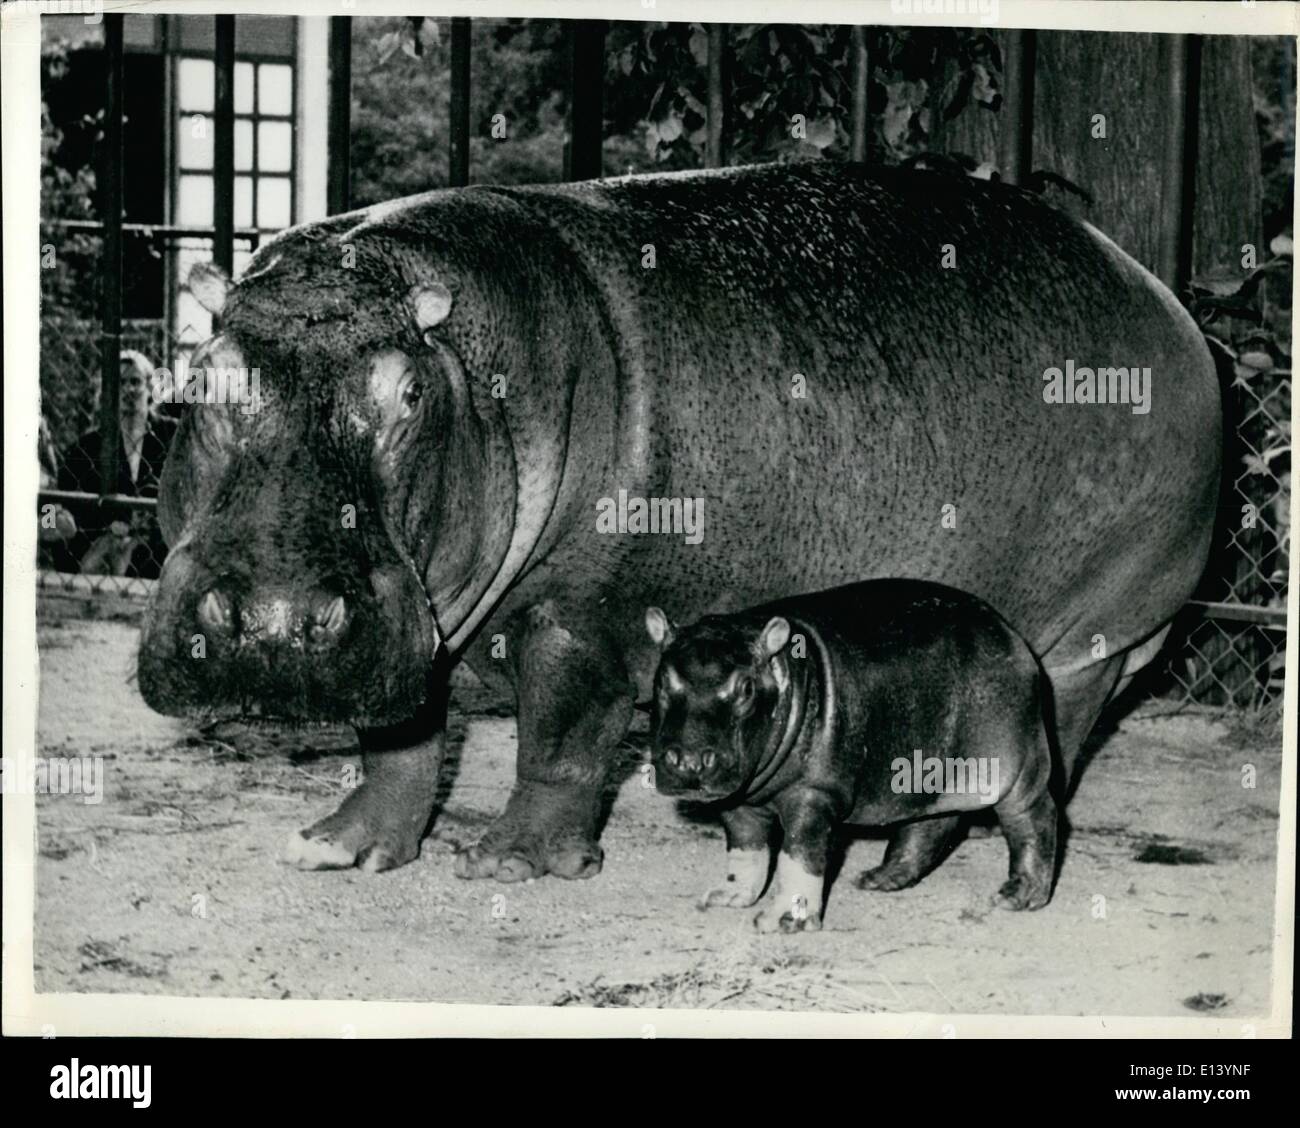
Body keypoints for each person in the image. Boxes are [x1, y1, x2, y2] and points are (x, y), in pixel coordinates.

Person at [53, 350, 171, 579]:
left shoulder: (172, 437)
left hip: (159, 563)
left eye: (135, 381)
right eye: (120, 383)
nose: (128, 390)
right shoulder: (87, 447)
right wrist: (51, 522)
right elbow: (53, 504)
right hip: (101, 565)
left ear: (149, 390)